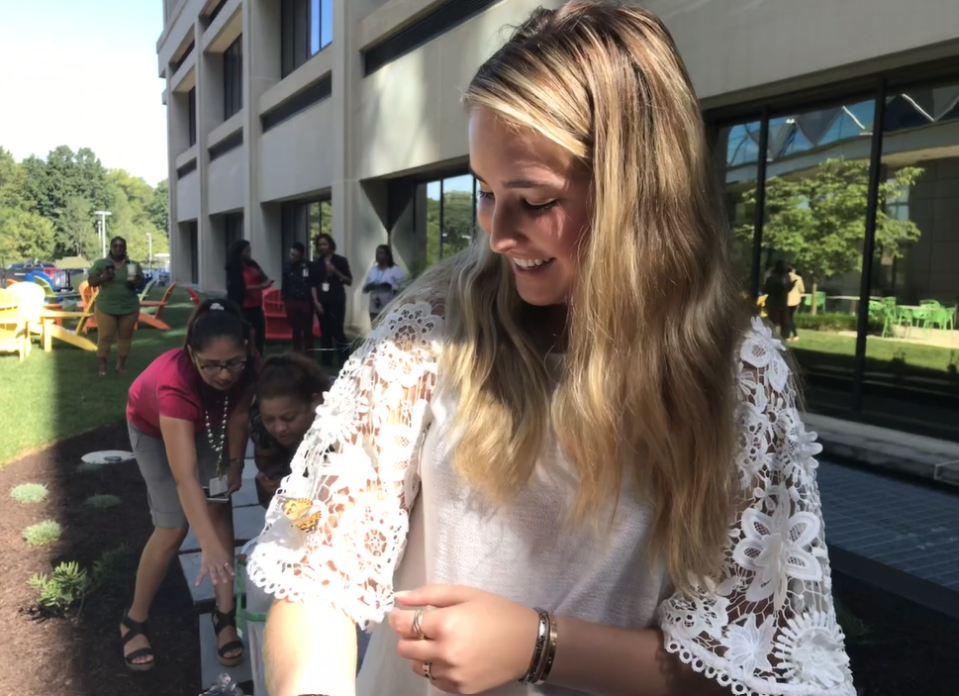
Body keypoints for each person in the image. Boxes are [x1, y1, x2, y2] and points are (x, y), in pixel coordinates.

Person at [249, 4, 853, 696]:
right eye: (483, 191)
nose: (497, 233)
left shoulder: (732, 372)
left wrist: (538, 644)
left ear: (638, 194)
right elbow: (318, 560)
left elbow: (753, 662)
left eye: (533, 200)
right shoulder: (431, 325)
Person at [123, 299, 257, 672]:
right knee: (173, 526)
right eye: (211, 365)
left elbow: (241, 411)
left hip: (209, 425)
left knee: (219, 505)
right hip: (155, 427)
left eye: (233, 363)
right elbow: (183, 477)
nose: (225, 374)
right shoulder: (174, 383)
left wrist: (233, 462)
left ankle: (225, 616)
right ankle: (133, 619)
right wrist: (210, 548)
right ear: (191, 354)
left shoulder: (247, 364)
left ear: (245, 349)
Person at [249, 353, 330, 508]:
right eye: (270, 419)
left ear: (315, 402)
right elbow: (269, 467)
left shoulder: (339, 421)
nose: (279, 428)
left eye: (289, 418)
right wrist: (274, 485)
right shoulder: (261, 429)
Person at [87, 236, 144, 376]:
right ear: (111, 248)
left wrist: (135, 282)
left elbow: (141, 283)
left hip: (128, 307)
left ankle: (121, 365)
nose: (118, 249)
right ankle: (102, 365)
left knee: (125, 336)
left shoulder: (132, 265)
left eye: (121, 246)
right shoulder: (102, 263)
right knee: (105, 336)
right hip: (106, 306)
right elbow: (91, 282)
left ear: (125, 248)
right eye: (115, 246)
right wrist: (103, 278)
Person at [310, 233, 352, 368]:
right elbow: (313, 284)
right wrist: (316, 302)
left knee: (337, 330)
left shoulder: (340, 261)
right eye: (320, 245)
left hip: (337, 300)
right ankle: (326, 361)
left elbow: (349, 280)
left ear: (330, 245)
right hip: (322, 301)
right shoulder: (317, 263)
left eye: (325, 244)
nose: (322, 247)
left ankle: (344, 358)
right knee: (324, 332)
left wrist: (336, 271)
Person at [226, 239, 273, 358]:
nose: (249, 253)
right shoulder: (233, 267)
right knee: (243, 333)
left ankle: (258, 356)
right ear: (240, 252)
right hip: (243, 306)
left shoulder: (252, 264)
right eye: (247, 251)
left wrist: (266, 281)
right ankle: (243, 355)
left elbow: (262, 277)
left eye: (249, 250)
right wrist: (259, 287)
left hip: (256, 305)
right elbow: (237, 287)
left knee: (260, 333)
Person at [281, 242, 315, 354]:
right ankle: (297, 352)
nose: (292, 257)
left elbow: (312, 283)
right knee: (295, 329)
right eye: (291, 254)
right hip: (292, 300)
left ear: (301, 254)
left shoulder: (308, 266)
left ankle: (309, 353)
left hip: (305, 301)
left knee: (307, 330)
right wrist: (285, 300)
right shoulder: (287, 266)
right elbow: (284, 284)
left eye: (294, 255)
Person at [362, 244, 405, 323]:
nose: (377, 255)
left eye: (380, 253)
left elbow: (403, 286)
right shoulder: (373, 270)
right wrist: (369, 286)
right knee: (375, 329)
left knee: (386, 328)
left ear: (387, 255)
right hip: (374, 305)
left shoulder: (395, 269)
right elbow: (364, 289)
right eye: (377, 253)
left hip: (388, 305)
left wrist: (391, 286)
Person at [763, 259, 795, 340]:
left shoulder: (786, 278)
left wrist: (791, 285)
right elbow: (768, 289)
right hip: (774, 304)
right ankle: (770, 338)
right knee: (773, 323)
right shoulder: (772, 278)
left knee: (785, 323)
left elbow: (787, 289)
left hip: (783, 303)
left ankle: (783, 339)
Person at [787, 266, 805, 341]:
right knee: (789, 318)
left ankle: (791, 335)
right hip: (795, 301)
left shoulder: (785, 277)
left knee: (787, 318)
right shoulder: (798, 278)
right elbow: (802, 290)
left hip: (786, 300)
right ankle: (793, 335)